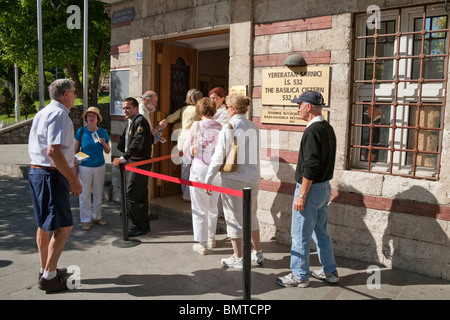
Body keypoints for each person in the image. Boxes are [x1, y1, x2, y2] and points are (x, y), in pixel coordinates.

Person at [276, 90, 339, 288]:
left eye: (299, 105)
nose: (297, 110)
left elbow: (311, 165)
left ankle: (299, 275)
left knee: (300, 235)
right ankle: (330, 271)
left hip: (310, 190)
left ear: (308, 107)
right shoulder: (327, 128)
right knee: (321, 232)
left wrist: (302, 194)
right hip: (323, 188)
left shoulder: (312, 130)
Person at [28, 79, 82, 292]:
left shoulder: (43, 112)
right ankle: (49, 277)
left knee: (44, 225)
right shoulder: (59, 115)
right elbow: (53, 151)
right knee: (64, 225)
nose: (76, 96)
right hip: (51, 175)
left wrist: (70, 162)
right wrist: (73, 179)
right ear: (66, 94)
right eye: (74, 92)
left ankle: (45, 269)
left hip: (39, 172)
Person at [205, 94, 264, 268]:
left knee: (233, 217)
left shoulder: (229, 126)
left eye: (228, 107)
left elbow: (218, 156)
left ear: (234, 109)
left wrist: (208, 179)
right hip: (252, 177)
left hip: (233, 178)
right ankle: (258, 252)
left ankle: (238, 257)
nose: (226, 110)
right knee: (251, 215)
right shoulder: (254, 126)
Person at [183, 97, 223, 255]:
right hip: (217, 170)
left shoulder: (196, 125)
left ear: (199, 112)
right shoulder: (222, 127)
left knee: (199, 207)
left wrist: (192, 153)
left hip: (200, 168)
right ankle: (211, 238)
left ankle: (202, 243)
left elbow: (187, 148)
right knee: (213, 206)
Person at [113, 98, 154, 237]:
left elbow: (138, 142)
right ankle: (143, 225)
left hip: (140, 163)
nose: (125, 110)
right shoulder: (133, 121)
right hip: (135, 163)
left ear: (136, 108)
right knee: (140, 195)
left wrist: (124, 157)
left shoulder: (139, 121)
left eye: (128, 108)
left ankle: (138, 225)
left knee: (131, 195)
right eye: (123, 108)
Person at [74, 107, 111, 231]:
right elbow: (75, 150)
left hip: (99, 166)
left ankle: (97, 216)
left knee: (98, 192)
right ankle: (85, 220)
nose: (91, 118)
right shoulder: (81, 131)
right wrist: (75, 165)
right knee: (84, 194)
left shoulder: (103, 132)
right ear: (86, 119)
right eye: (89, 116)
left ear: (97, 119)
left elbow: (108, 150)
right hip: (85, 167)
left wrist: (103, 143)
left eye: (93, 116)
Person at [166, 88, 202, 201]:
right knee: (195, 169)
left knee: (185, 169)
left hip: (182, 141)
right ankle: (190, 194)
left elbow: (169, 119)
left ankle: (185, 193)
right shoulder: (200, 110)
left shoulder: (183, 109)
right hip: (195, 142)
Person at [139, 90, 168, 220]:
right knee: (142, 186)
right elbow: (143, 136)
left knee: (144, 186)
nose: (156, 105)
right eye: (155, 102)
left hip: (144, 154)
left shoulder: (145, 112)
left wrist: (154, 138)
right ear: (147, 101)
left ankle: (145, 212)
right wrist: (159, 127)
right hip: (142, 156)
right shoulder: (141, 115)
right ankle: (143, 214)